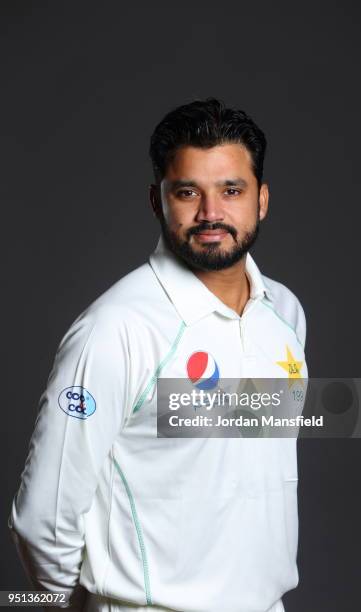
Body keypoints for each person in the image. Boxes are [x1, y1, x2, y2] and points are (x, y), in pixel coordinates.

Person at [9, 98, 308, 612]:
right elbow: (44, 517)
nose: (211, 213)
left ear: (261, 199)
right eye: (188, 192)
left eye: (231, 190)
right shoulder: (115, 330)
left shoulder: (284, 313)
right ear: (157, 200)